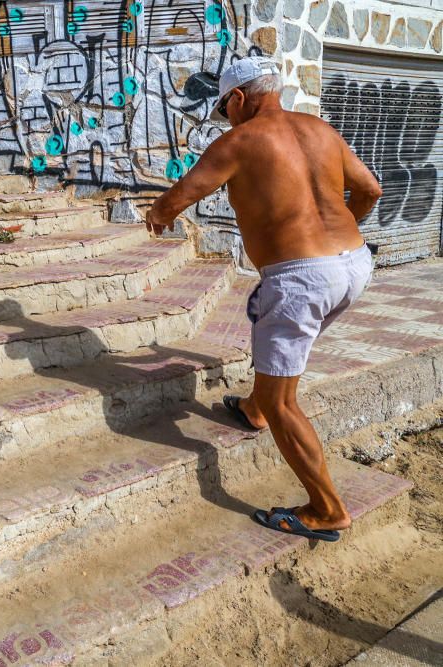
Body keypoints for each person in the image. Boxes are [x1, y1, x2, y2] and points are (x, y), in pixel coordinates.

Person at [145, 57, 382, 542]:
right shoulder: (320, 129)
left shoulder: (240, 140)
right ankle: (252, 407)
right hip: (353, 266)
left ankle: (326, 508)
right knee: (279, 350)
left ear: (238, 99)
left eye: (224, 108)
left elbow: (185, 192)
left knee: (283, 402)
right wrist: (338, 236)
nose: (225, 119)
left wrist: (158, 214)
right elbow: (370, 189)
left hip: (302, 279)